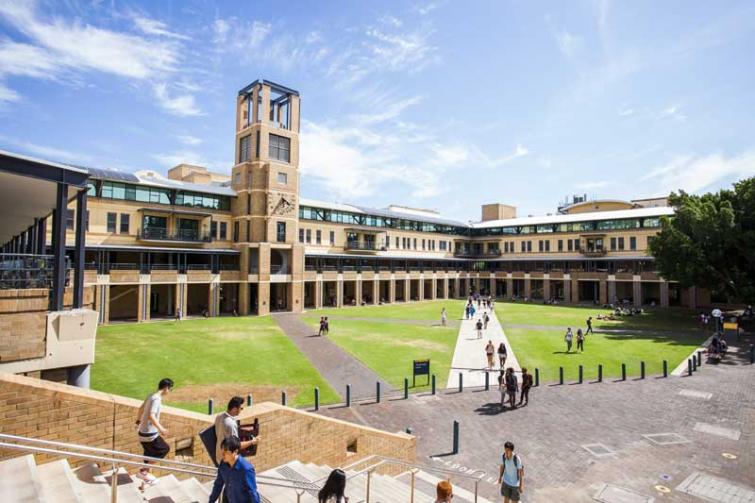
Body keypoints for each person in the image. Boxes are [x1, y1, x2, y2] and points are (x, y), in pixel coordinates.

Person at [135, 378, 173, 489]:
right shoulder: (156, 399)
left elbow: (141, 409)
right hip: (149, 435)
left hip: (142, 433)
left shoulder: (151, 395)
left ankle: (144, 481)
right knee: (164, 449)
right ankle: (143, 471)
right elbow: (151, 416)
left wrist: (138, 422)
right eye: (170, 389)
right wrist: (162, 429)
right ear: (166, 388)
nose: (169, 391)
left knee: (149, 455)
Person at [209, 436, 261, 503]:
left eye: (226, 452)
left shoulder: (246, 469)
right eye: (222, 451)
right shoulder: (223, 464)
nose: (223, 455)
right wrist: (211, 501)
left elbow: (253, 493)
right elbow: (218, 485)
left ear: (235, 452)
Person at [214, 397, 260, 467]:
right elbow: (236, 446)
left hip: (219, 456)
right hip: (227, 460)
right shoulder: (231, 424)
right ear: (235, 409)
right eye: (241, 408)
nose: (241, 410)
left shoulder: (219, 416)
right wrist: (252, 442)